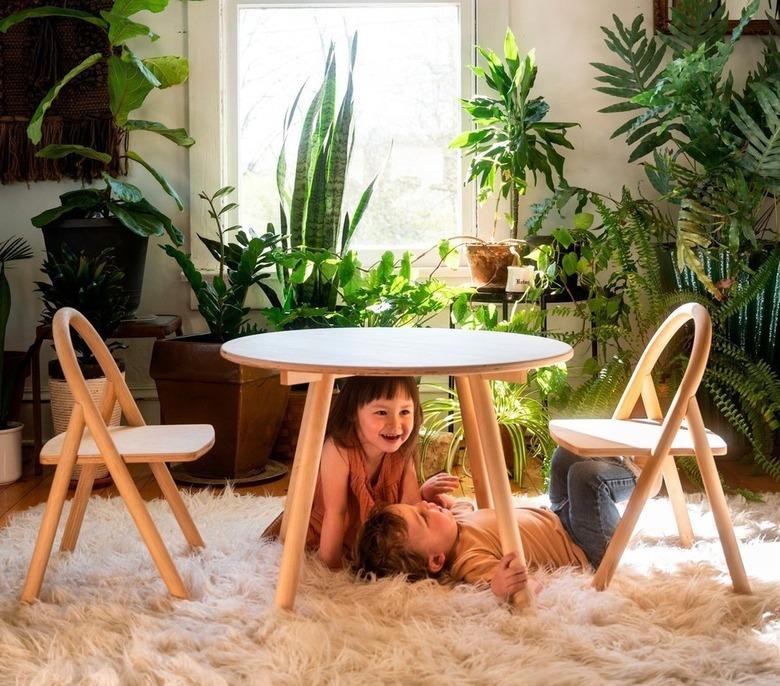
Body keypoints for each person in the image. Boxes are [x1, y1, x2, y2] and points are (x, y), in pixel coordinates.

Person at [263, 376, 460, 569]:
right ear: (353, 413)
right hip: (329, 531)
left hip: (376, 540)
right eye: (382, 412)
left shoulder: (402, 449)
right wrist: (330, 569)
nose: (396, 424)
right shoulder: (338, 449)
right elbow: (335, 513)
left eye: (405, 412)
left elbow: (411, 505)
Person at [353, 499, 590, 602]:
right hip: (581, 542)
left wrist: (439, 499)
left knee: (564, 458)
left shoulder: (454, 521)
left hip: (558, 511)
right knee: (585, 477)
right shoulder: (469, 558)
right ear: (436, 560)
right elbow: (511, 584)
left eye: (417, 506)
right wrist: (501, 586)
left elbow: (461, 505)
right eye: (424, 517)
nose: (425, 505)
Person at [547, 446, 661, 568]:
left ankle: (598, 551)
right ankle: (589, 544)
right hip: (618, 454)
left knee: (578, 469)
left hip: (641, 468)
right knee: (570, 460)